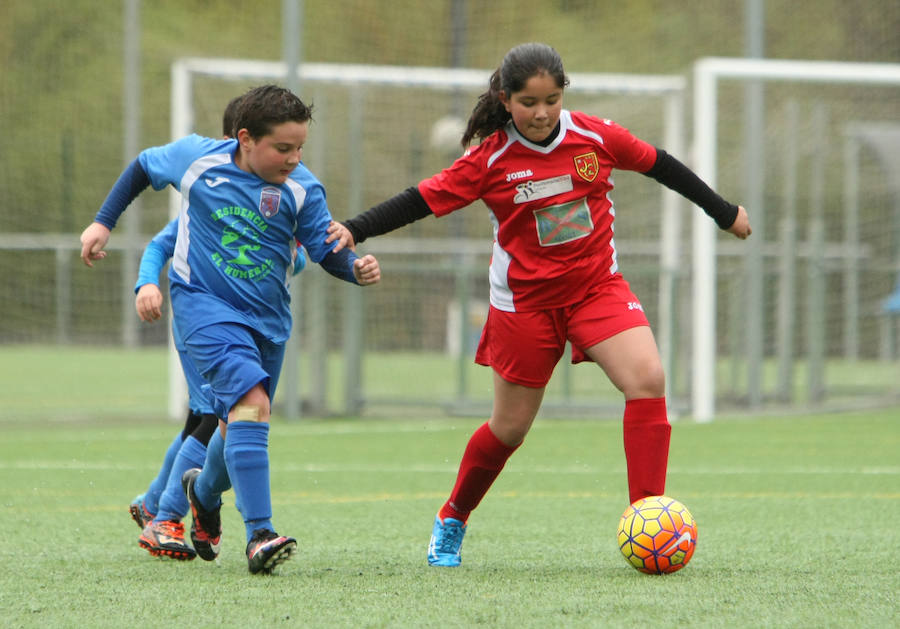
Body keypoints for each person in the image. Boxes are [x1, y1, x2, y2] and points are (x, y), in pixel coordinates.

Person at [332, 42, 751, 567]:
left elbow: (662, 165)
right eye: (529, 102)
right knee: (509, 429)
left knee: (647, 380)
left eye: (552, 99)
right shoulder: (489, 160)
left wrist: (723, 211)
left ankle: (648, 523)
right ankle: (452, 517)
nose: (542, 112)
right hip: (524, 305)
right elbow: (420, 199)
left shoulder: (596, 137)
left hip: (597, 288)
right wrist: (354, 229)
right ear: (506, 100)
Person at [81, 84, 380, 574]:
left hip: (268, 322)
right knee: (250, 404)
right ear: (244, 138)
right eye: (282, 148)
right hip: (203, 308)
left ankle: (199, 493)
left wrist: (355, 268)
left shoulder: (303, 188)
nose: (293, 158)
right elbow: (142, 167)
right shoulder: (197, 160)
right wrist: (102, 223)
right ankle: (258, 533)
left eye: (299, 147)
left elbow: (324, 249)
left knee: (239, 421)